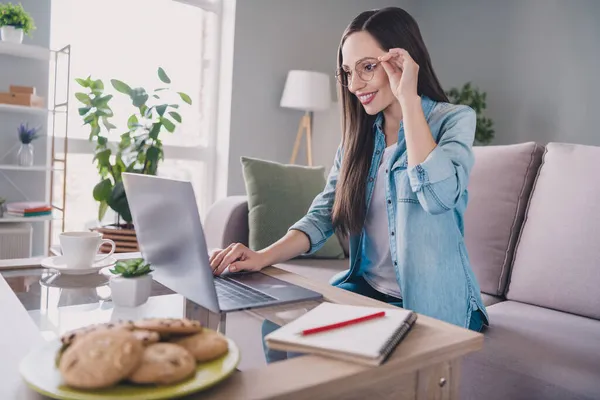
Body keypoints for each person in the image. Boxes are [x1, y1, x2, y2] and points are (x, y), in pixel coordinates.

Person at [209, 6, 489, 363]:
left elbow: (438, 197)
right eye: (347, 72)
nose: (354, 85)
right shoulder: (359, 139)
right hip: (368, 291)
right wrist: (261, 256)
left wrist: (409, 100)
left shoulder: (454, 121)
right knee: (278, 332)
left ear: (403, 62)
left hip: (434, 303)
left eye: (368, 67)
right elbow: (325, 212)